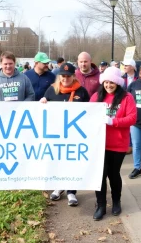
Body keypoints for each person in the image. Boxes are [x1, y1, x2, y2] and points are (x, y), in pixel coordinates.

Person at [90, 67, 136, 220]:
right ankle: (101, 205)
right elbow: (86, 113)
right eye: (106, 82)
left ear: (117, 83)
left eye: (112, 83)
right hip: (99, 143)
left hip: (118, 143)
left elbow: (132, 118)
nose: (108, 85)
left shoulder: (126, 97)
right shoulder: (96, 96)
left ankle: (116, 201)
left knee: (113, 174)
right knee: (100, 175)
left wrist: (113, 121)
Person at [40, 62, 90, 206]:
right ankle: (58, 187)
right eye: (63, 76)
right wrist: (43, 102)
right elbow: (44, 107)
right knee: (57, 160)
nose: (65, 79)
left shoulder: (81, 91)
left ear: (73, 76)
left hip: (75, 134)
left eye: (68, 76)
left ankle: (71, 192)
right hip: (55, 134)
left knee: (72, 162)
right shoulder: (51, 90)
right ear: (59, 76)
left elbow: (89, 111)